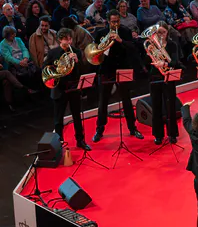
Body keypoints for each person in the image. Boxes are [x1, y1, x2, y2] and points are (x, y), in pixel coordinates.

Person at [93, 10, 144, 143]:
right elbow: (96, 53)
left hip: (122, 67)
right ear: (108, 22)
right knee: (103, 101)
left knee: (126, 99)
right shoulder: (101, 33)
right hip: (106, 70)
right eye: (113, 22)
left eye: (117, 21)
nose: (115, 24)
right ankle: (99, 129)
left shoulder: (125, 31)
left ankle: (132, 128)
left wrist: (120, 41)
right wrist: (104, 46)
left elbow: (132, 48)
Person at [45, 28, 90, 150]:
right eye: (66, 39)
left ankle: (80, 140)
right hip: (59, 88)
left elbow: (82, 70)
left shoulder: (76, 52)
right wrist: (59, 68)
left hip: (73, 87)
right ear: (60, 39)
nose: (69, 42)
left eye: (70, 39)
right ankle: (59, 143)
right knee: (58, 119)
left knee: (77, 116)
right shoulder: (53, 53)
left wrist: (77, 61)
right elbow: (46, 69)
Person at [147, 22, 181, 145]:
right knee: (156, 107)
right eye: (159, 32)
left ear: (167, 33)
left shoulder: (172, 45)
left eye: (163, 32)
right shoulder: (151, 45)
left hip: (168, 76)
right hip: (155, 77)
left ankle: (172, 134)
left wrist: (165, 64)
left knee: (170, 106)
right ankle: (158, 135)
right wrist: (150, 56)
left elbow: (176, 62)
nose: (161, 35)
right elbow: (146, 63)